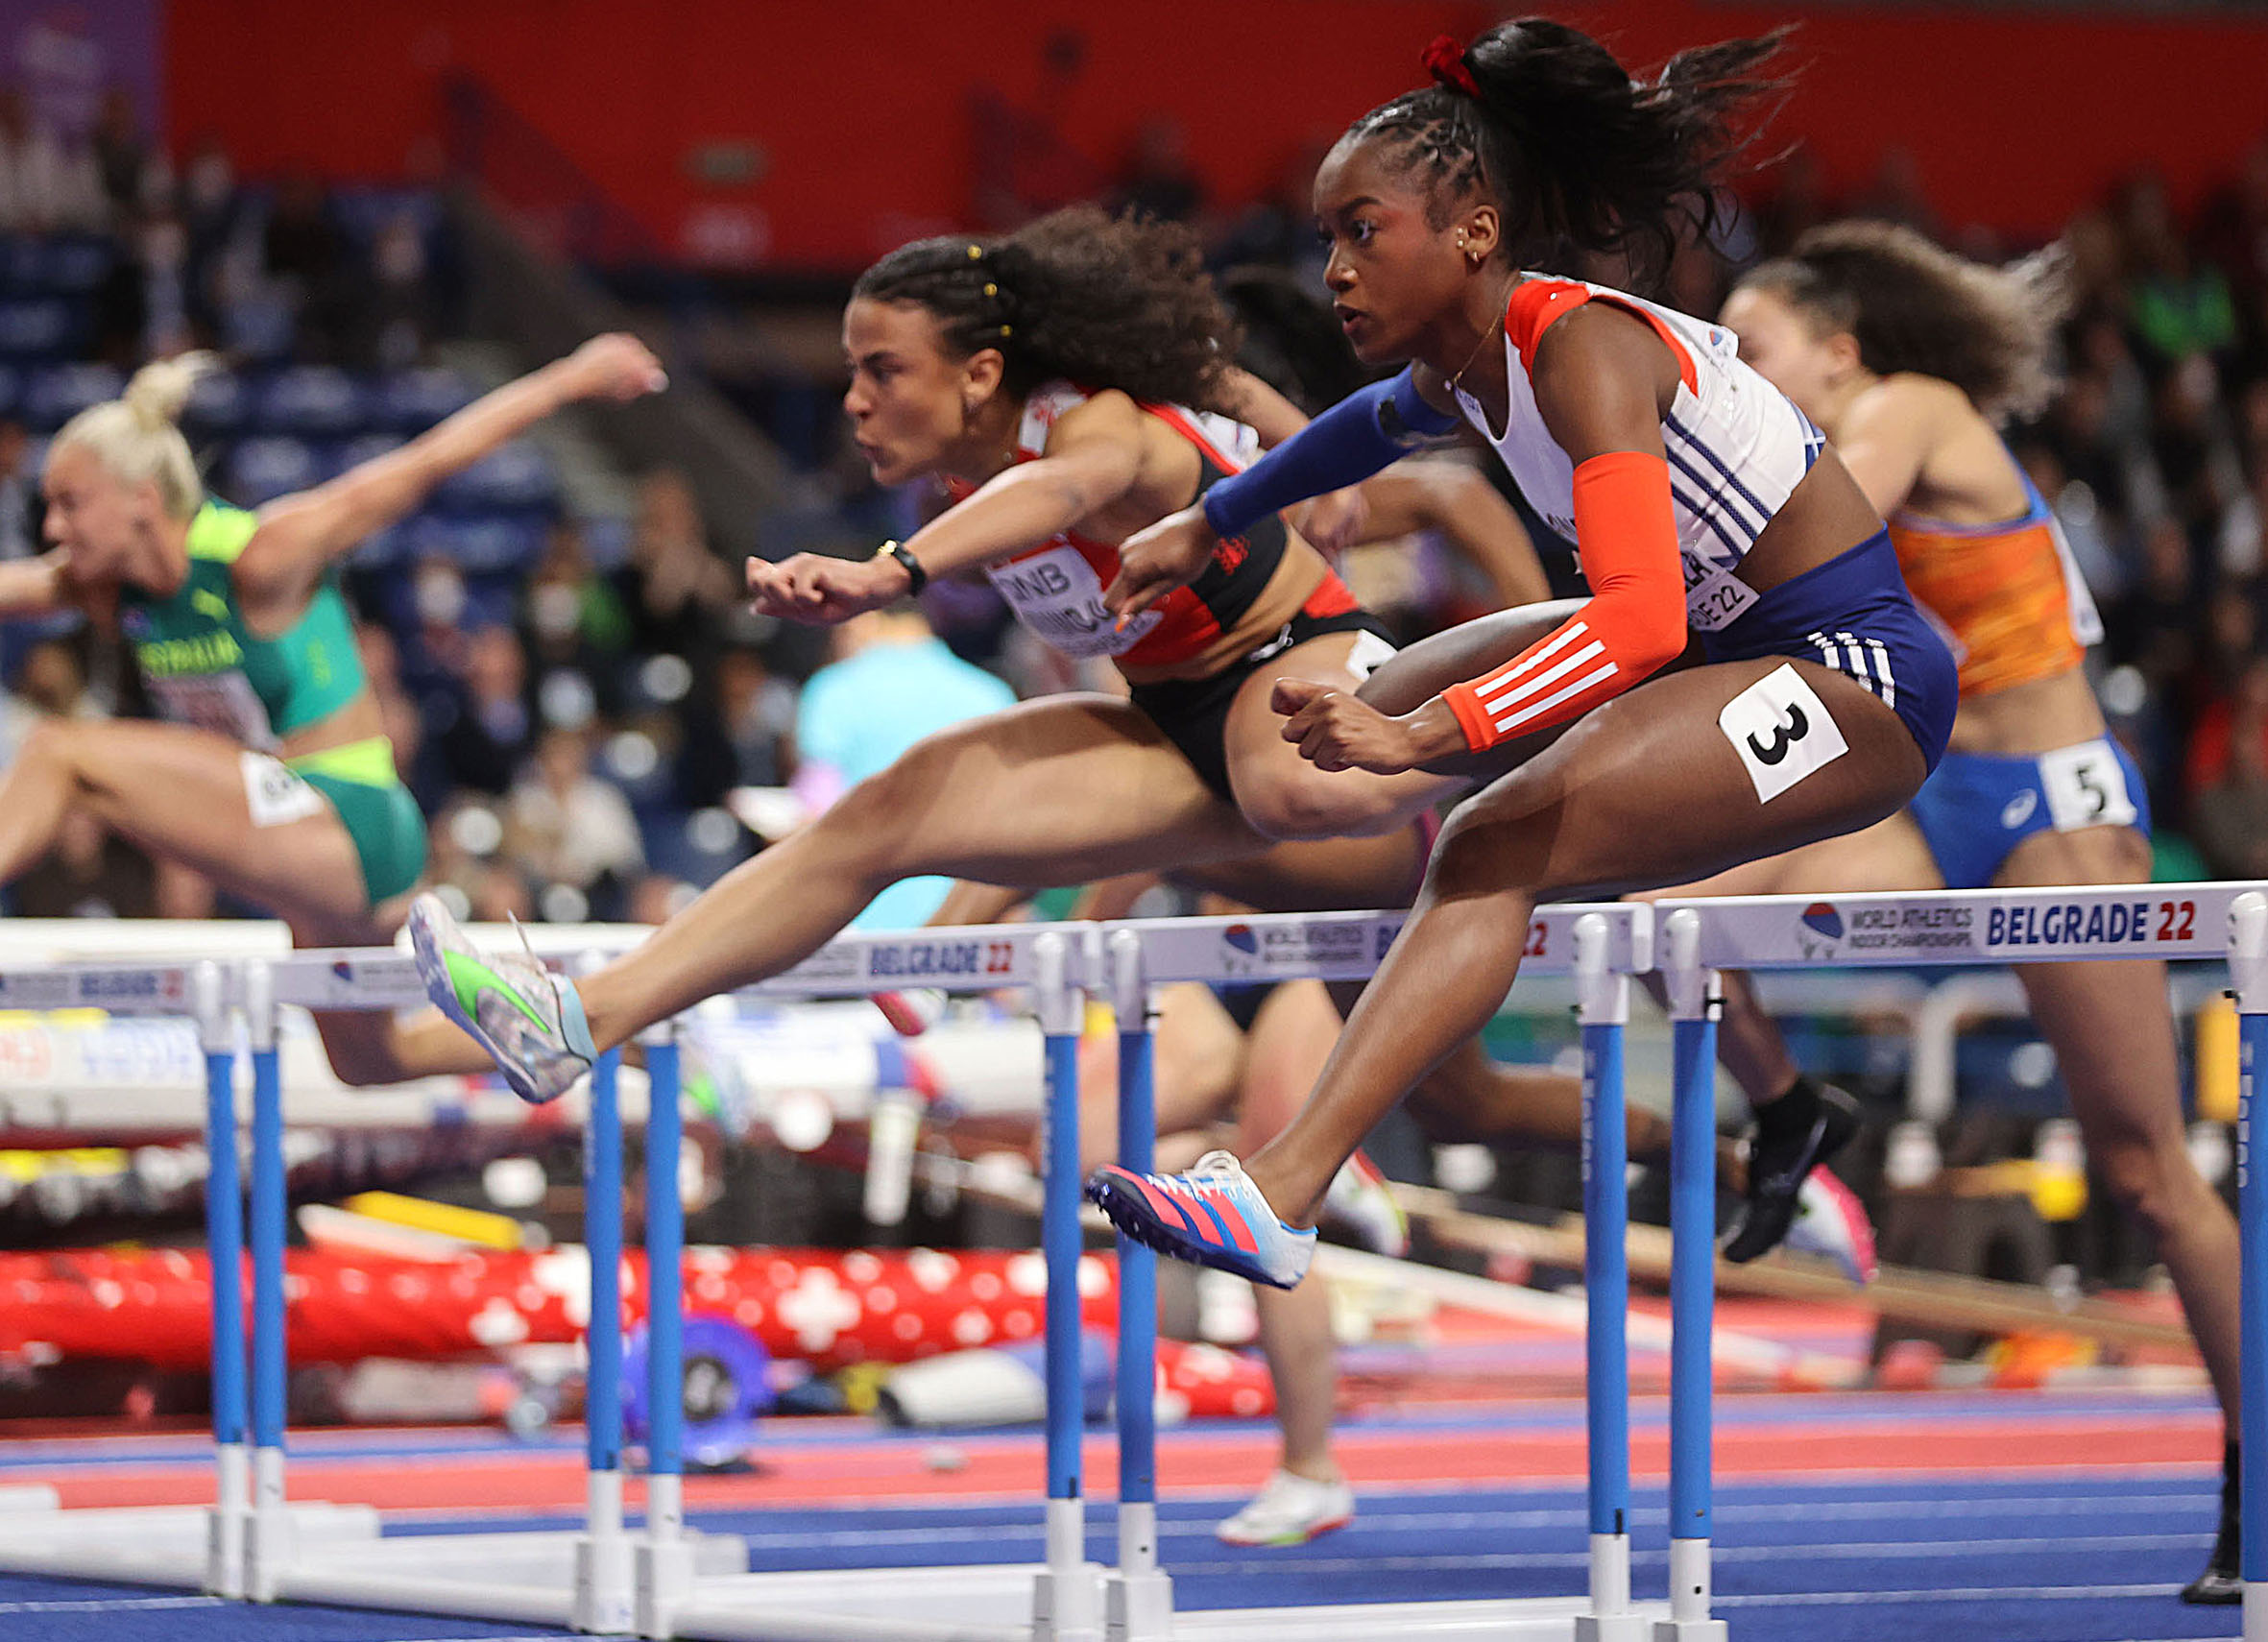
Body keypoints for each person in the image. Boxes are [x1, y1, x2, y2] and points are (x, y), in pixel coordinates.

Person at [1081, 23, 1954, 1312]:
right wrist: (1208, 518)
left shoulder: (1577, 347)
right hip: (1728, 652)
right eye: (1325, 237)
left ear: (1473, 233)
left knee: (1488, 834)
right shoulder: (1466, 370)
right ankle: (1763, 1106)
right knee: (1368, 709)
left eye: (1361, 232)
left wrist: (1430, 738)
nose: (1333, 270)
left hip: (1846, 680)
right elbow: (1359, 429)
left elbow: (1639, 624)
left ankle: (1281, 1190)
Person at [403, 205, 1489, 1105]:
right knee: (885, 810)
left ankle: (1532, 764)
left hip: (1330, 732)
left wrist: (894, 574)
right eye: (850, 371)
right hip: (1179, 739)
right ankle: (577, 1021)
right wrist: (1289, 437)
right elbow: (1191, 389)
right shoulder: (975, 477)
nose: (853, 400)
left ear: (980, 373)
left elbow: (1068, 487)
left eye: (883, 370)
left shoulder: (1092, 423)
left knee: (1278, 779)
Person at [1675, 221, 2245, 1605]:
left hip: (2053, 805)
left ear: (1838, 350)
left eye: (1752, 350)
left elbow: (1795, 549)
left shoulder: (1908, 411)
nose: (1734, 378)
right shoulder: (1821, 433)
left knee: (2144, 1171)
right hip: (1927, 805)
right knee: (1675, 915)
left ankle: (2262, 1456)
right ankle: (1792, 1115)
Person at [0, 334, 667, 1084]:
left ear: (141, 500)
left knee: (59, 751)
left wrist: (571, 377)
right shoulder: (107, 587)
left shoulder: (263, 554)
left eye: (70, 504)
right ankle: (611, 1037)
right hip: (297, 847)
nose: (52, 529)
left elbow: (428, 462)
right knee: (369, 1062)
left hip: (350, 819)